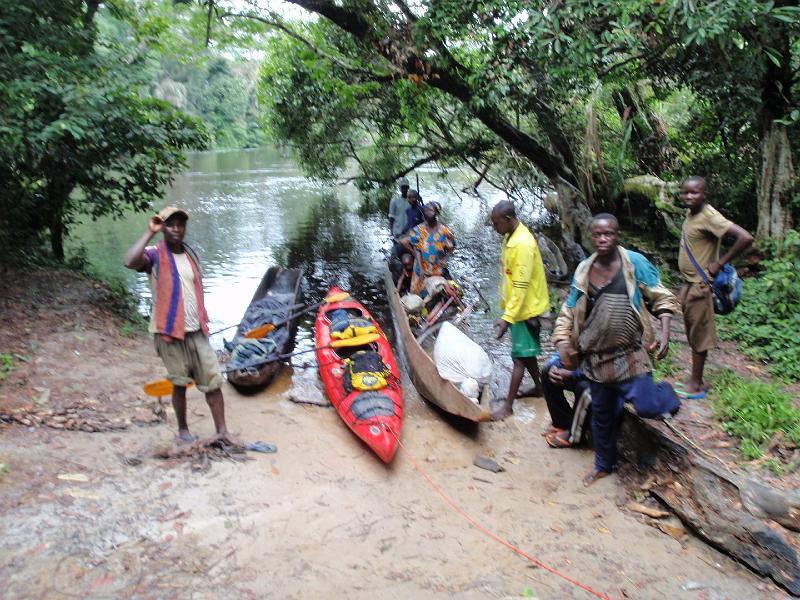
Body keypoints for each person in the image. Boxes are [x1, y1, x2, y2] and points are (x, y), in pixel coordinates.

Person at [552, 213, 680, 486]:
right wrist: (563, 342)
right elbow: (569, 310)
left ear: (617, 235)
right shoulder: (584, 270)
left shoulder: (634, 264)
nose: (602, 239)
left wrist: (666, 331)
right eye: (597, 234)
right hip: (596, 359)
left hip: (630, 353)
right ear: (591, 236)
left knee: (646, 405)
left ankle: (668, 395)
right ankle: (603, 465)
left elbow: (661, 296)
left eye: (608, 234)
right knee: (602, 416)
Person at [124, 206, 238, 446]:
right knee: (179, 382)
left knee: (213, 381)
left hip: (196, 330)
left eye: (180, 224)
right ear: (163, 227)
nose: (176, 229)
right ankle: (183, 430)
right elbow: (129, 261)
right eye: (170, 224)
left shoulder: (190, 254)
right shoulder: (154, 255)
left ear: (184, 227)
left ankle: (222, 431)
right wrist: (149, 232)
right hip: (168, 331)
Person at [678, 176, 753, 398]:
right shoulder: (690, 212)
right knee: (693, 329)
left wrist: (719, 263)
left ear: (704, 195)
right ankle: (694, 378)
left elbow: (745, 238)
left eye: (695, 192)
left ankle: (697, 385)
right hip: (688, 283)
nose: (689, 196)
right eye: (686, 192)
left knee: (700, 333)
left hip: (701, 285)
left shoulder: (709, 216)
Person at [489, 200, 550, 421]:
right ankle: (540, 388)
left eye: (496, 224)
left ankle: (508, 407)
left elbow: (521, 287)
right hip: (519, 309)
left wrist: (507, 318)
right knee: (527, 353)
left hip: (525, 310)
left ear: (508, 219)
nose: (494, 228)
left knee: (519, 359)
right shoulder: (510, 237)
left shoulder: (522, 243)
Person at [399, 201, 455, 295]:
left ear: (437, 213)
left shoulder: (444, 230)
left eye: (430, 210)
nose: (427, 213)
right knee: (418, 292)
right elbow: (417, 249)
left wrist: (446, 258)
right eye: (425, 210)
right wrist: (420, 268)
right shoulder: (418, 230)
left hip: (436, 268)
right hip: (421, 267)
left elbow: (452, 245)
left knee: (434, 291)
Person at [541, 352, 591, 449]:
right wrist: (554, 365)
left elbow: (601, 371)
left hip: (601, 379)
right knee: (547, 372)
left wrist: (572, 374)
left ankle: (574, 436)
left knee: (584, 387)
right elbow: (560, 352)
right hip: (583, 370)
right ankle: (562, 423)